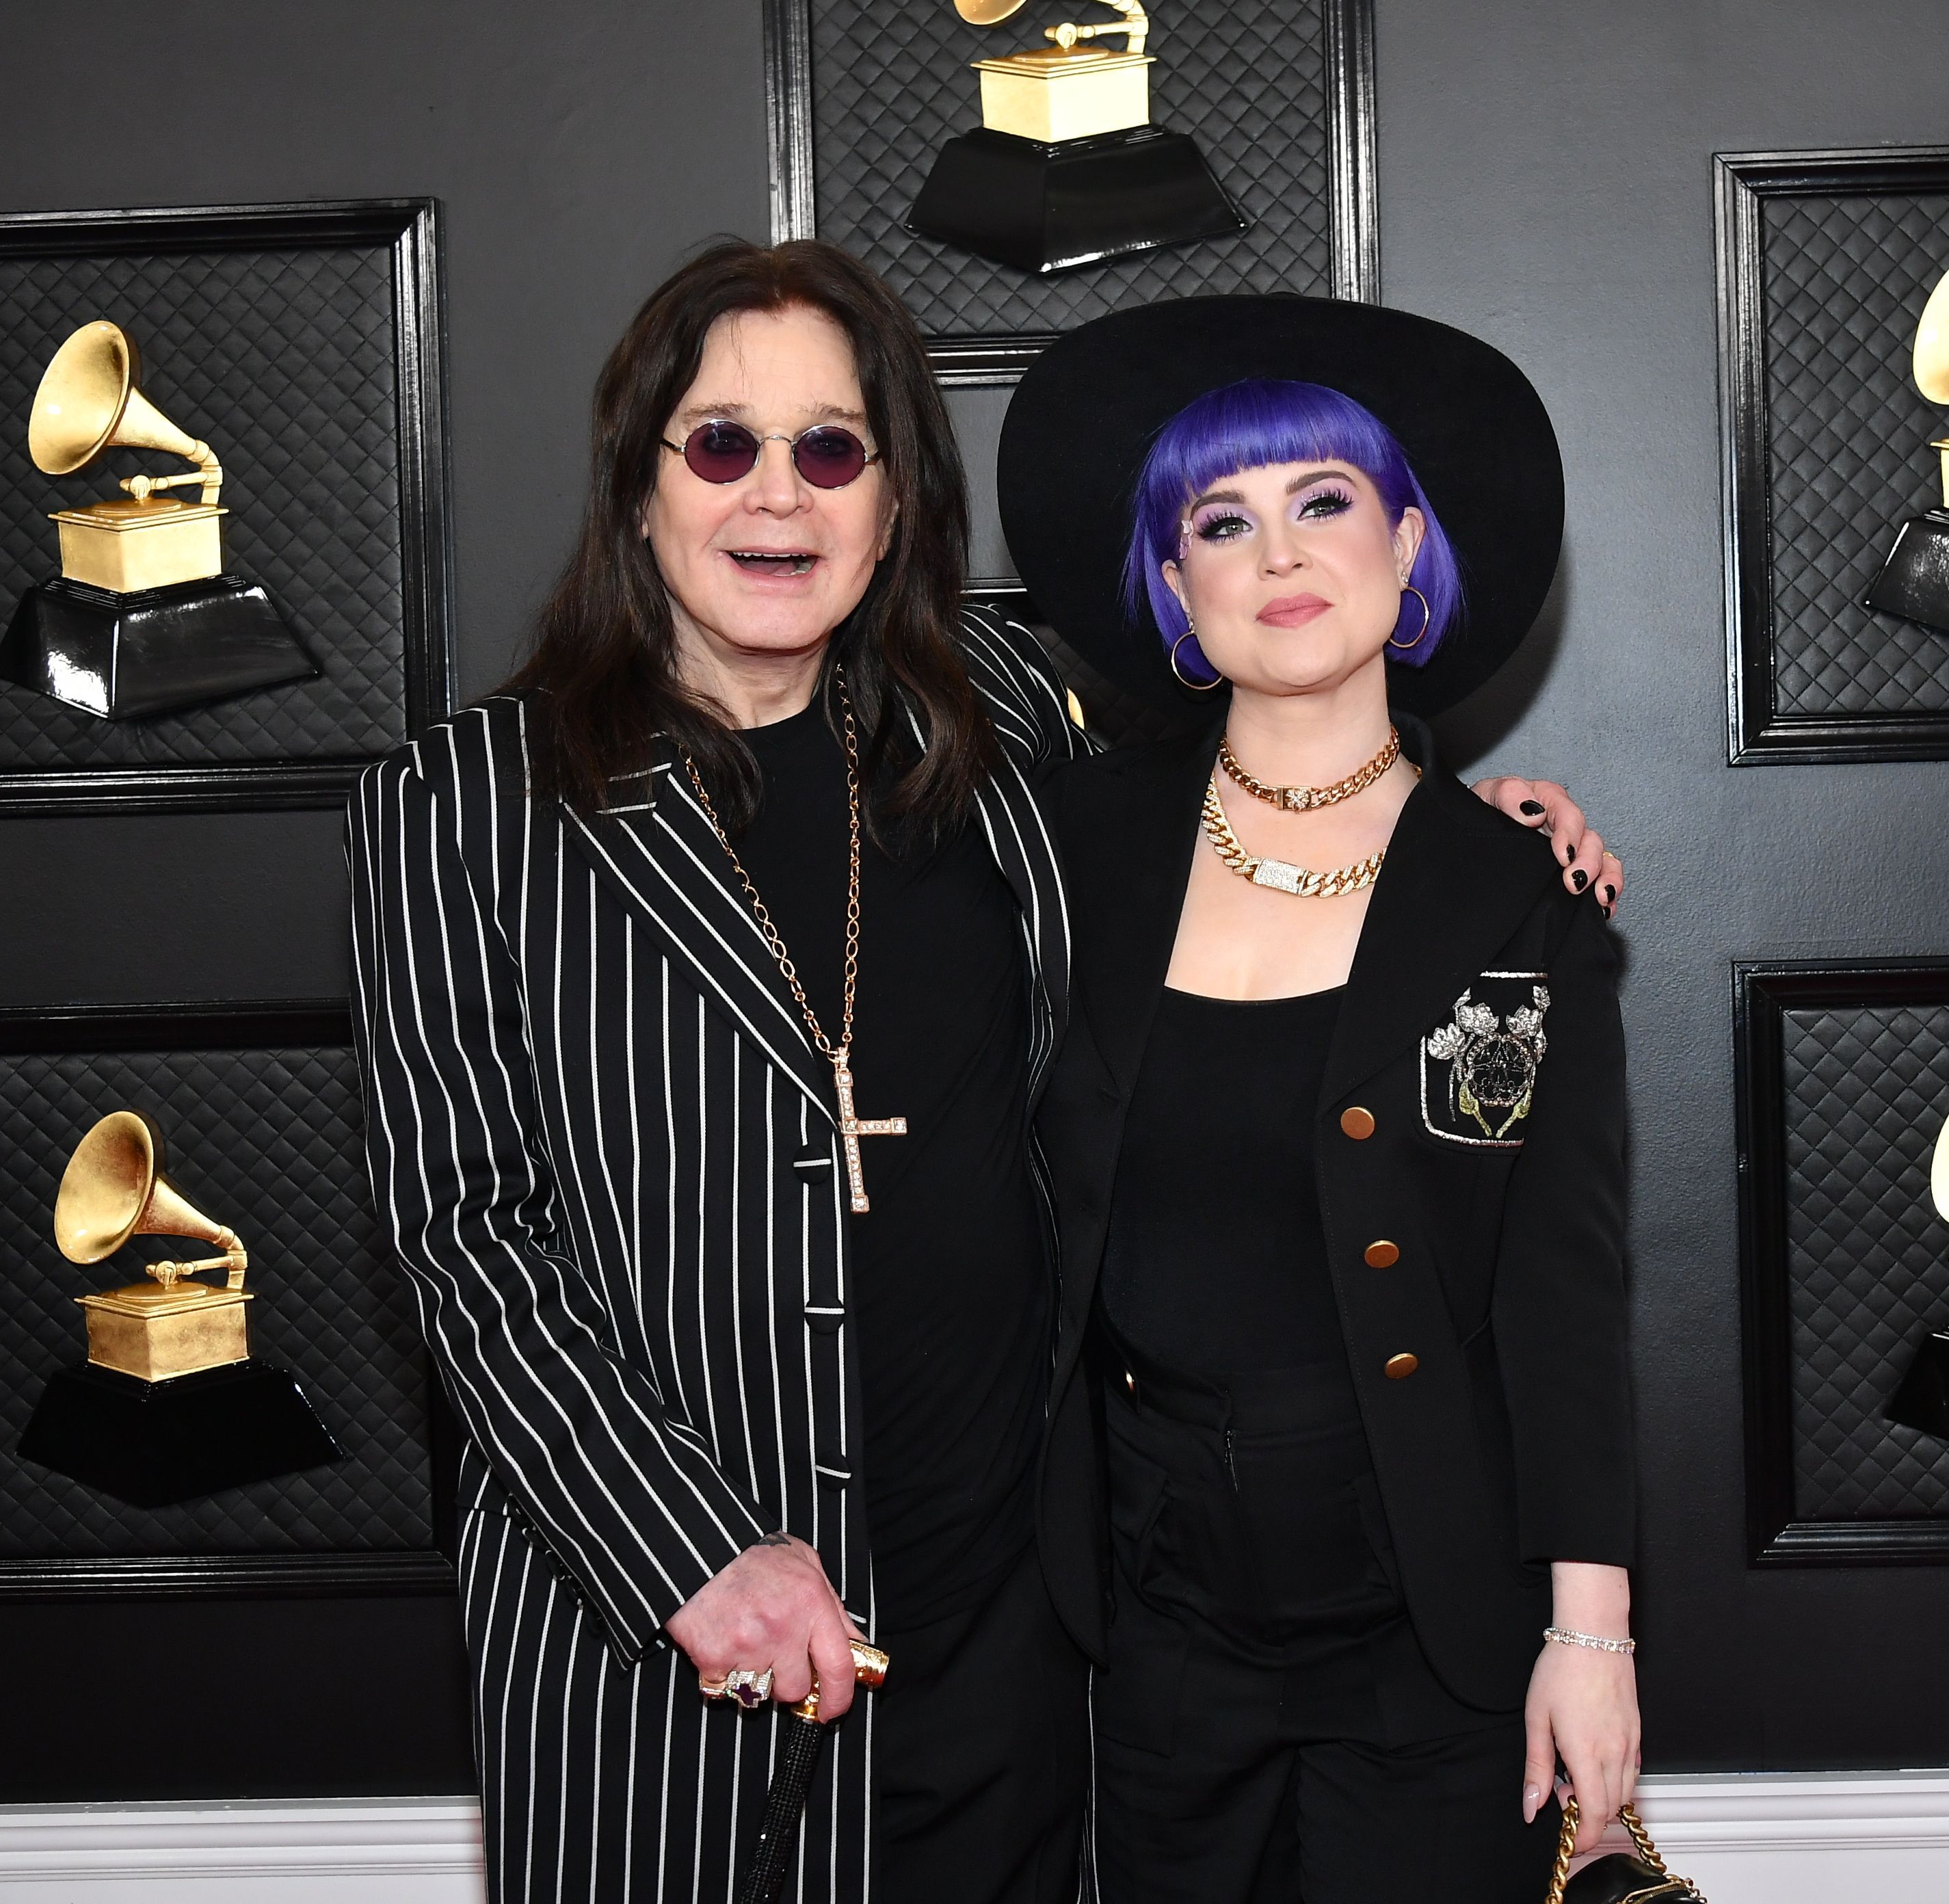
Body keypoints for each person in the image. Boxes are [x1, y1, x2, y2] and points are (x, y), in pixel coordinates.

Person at [346, 241, 1619, 1903]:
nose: (777, 497)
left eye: (834, 447)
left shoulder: (1002, 722)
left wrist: (1477, 838)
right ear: (639, 484)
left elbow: (1284, 726)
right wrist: (696, 1558)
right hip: (673, 1637)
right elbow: (463, 1234)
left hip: (1020, 1636)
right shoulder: (467, 803)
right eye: (723, 443)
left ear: (892, 502)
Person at [1000, 296, 1639, 1904]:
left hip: (1432, 1621)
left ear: (1411, 542)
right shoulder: (1061, 856)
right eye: (1222, 520)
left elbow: (1565, 1302)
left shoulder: (1518, 891)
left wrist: (1593, 1640)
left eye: (1326, 500)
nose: (1277, 552)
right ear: (1171, 587)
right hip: (1148, 1623)